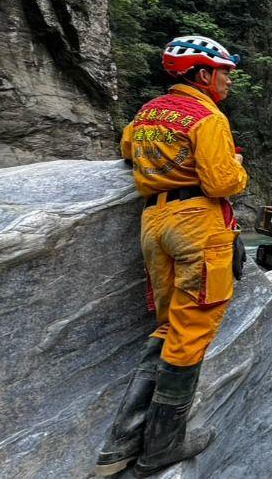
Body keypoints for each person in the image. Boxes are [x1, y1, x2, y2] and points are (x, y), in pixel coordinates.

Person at [95, 35, 248, 477]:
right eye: (224, 73)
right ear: (203, 74)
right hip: (197, 225)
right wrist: (239, 166)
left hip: (154, 224)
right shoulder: (207, 116)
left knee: (168, 325)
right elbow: (222, 183)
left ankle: (120, 442)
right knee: (192, 330)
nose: (227, 82)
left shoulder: (146, 113)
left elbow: (127, 151)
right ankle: (161, 446)